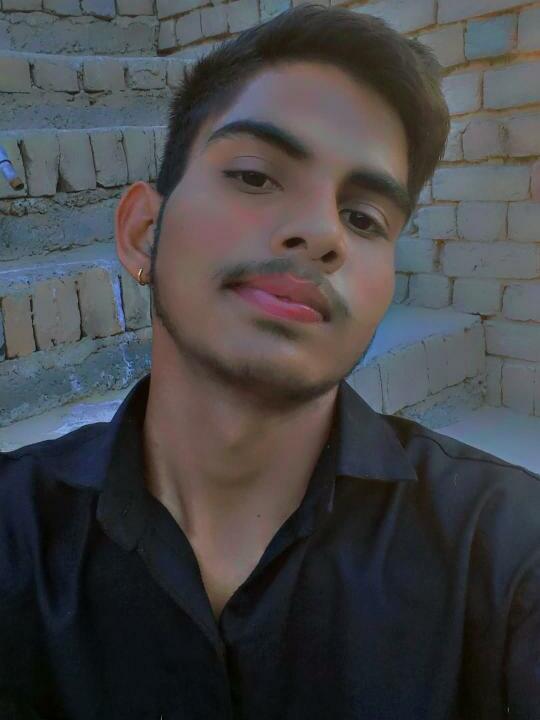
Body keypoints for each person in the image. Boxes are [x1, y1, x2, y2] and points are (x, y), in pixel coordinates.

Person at [0, 4, 538, 719]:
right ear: (143, 232)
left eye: (363, 218)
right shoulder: (14, 529)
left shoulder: (505, 550)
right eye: (255, 177)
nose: (321, 233)